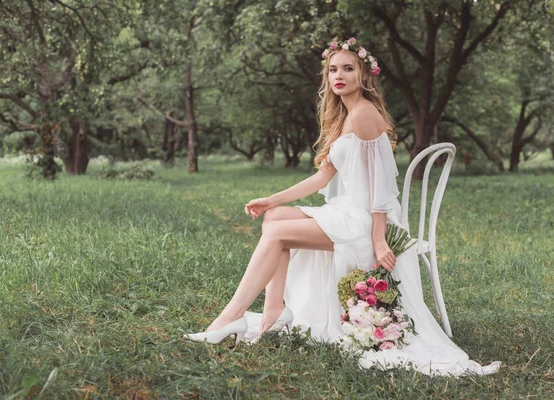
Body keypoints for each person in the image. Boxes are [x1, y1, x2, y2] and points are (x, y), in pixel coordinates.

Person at [184, 38, 500, 376]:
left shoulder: (364, 114)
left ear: (363, 75)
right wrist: (271, 200)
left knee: (276, 234)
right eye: (333, 69)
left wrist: (379, 239)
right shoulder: (345, 116)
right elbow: (321, 179)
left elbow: (380, 186)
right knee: (274, 217)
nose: (339, 75)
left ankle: (230, 318)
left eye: (348, 69)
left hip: (364, 222)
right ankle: (275, 309)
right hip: (347, 210)